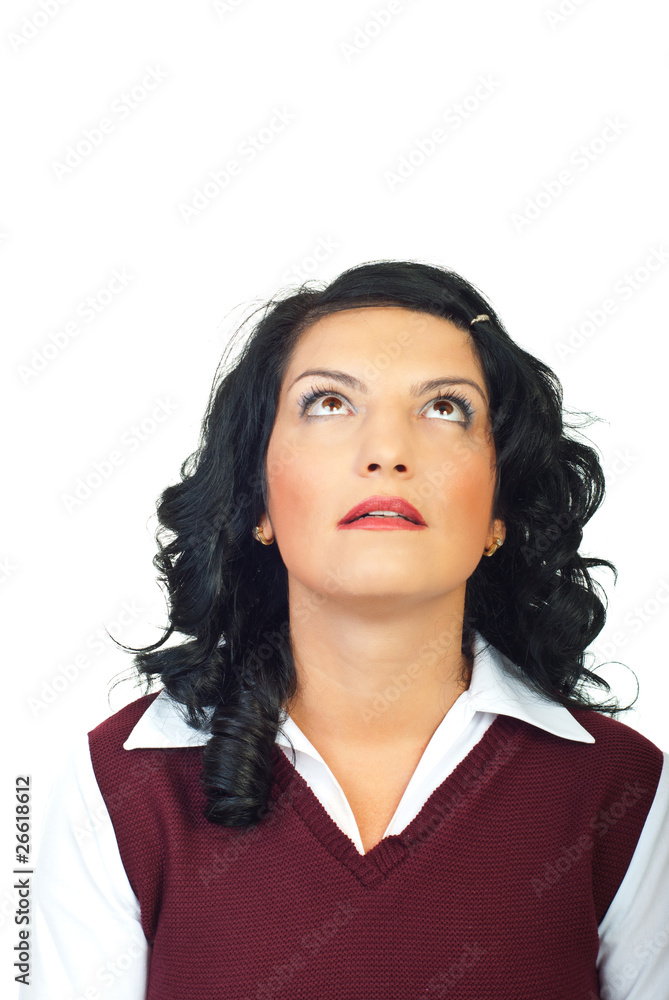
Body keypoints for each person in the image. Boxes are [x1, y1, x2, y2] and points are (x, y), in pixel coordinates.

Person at [26, 260, 669, 999]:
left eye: (445, 409)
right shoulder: (120, 788)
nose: (385, 452)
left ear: (499, 511)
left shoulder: (620, 791)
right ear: (256, 498)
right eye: (328, 402)